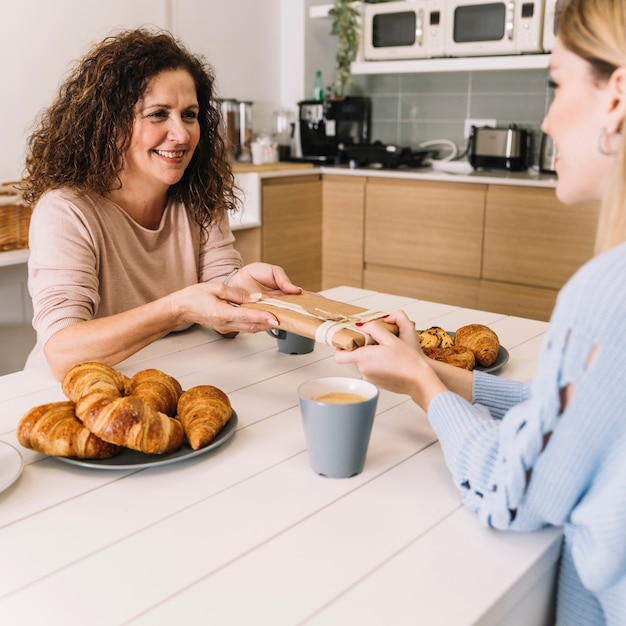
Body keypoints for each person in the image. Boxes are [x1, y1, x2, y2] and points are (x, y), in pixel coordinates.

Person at [336, 0, 626, 623]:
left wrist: (419, 386)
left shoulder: (609, 294)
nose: (546, 120)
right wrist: (433, 369)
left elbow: (512, 491)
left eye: (555, 86)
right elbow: (586, 421)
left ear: (616, 97)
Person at [21, 29, 301, 381]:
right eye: (158, 114)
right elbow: (63, 351)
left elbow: (221, 314)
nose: (181, 134)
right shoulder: (66, 211)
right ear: (111, 124)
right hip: (67, 394)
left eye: (189, 114)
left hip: (170, 376)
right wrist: (179, 307)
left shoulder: (198, 193)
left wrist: (241, 285)